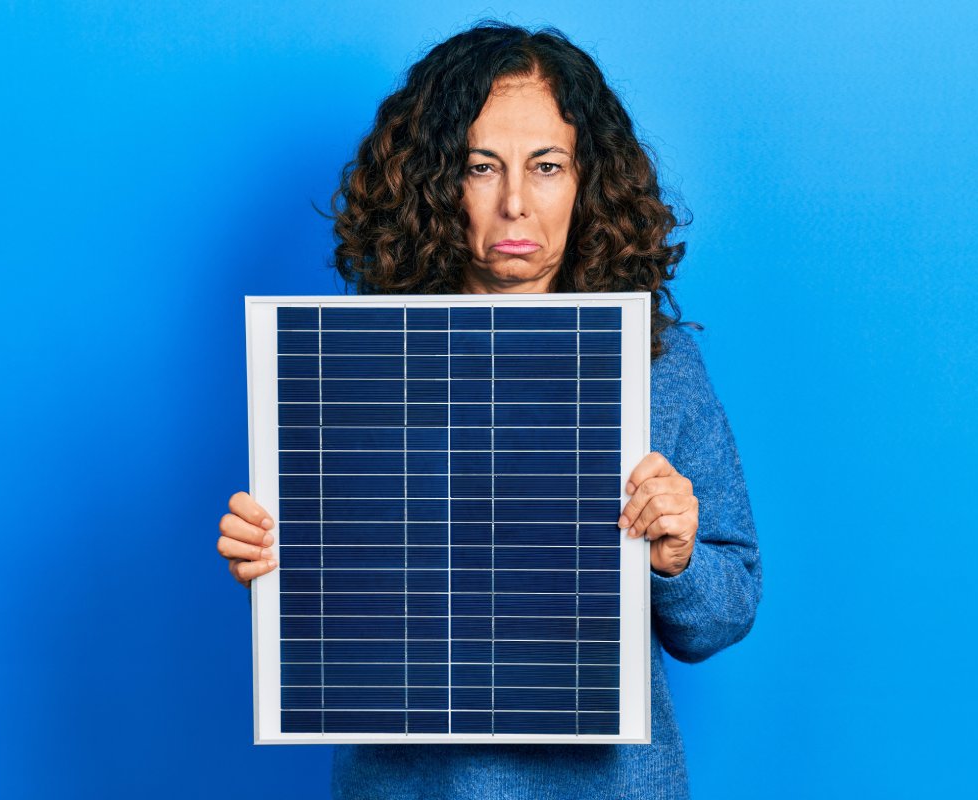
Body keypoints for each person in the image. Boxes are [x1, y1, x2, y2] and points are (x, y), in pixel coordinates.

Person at [216, 21, 762, 800]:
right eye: (481, 167)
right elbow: (345, 606)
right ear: (437, 182)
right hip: (410, 785)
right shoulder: (353, 366)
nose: (514, 203)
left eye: (546, 166)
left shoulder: (657, 361)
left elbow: (727, 608)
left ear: (587, 181)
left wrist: (676, 556)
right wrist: (276, 570)